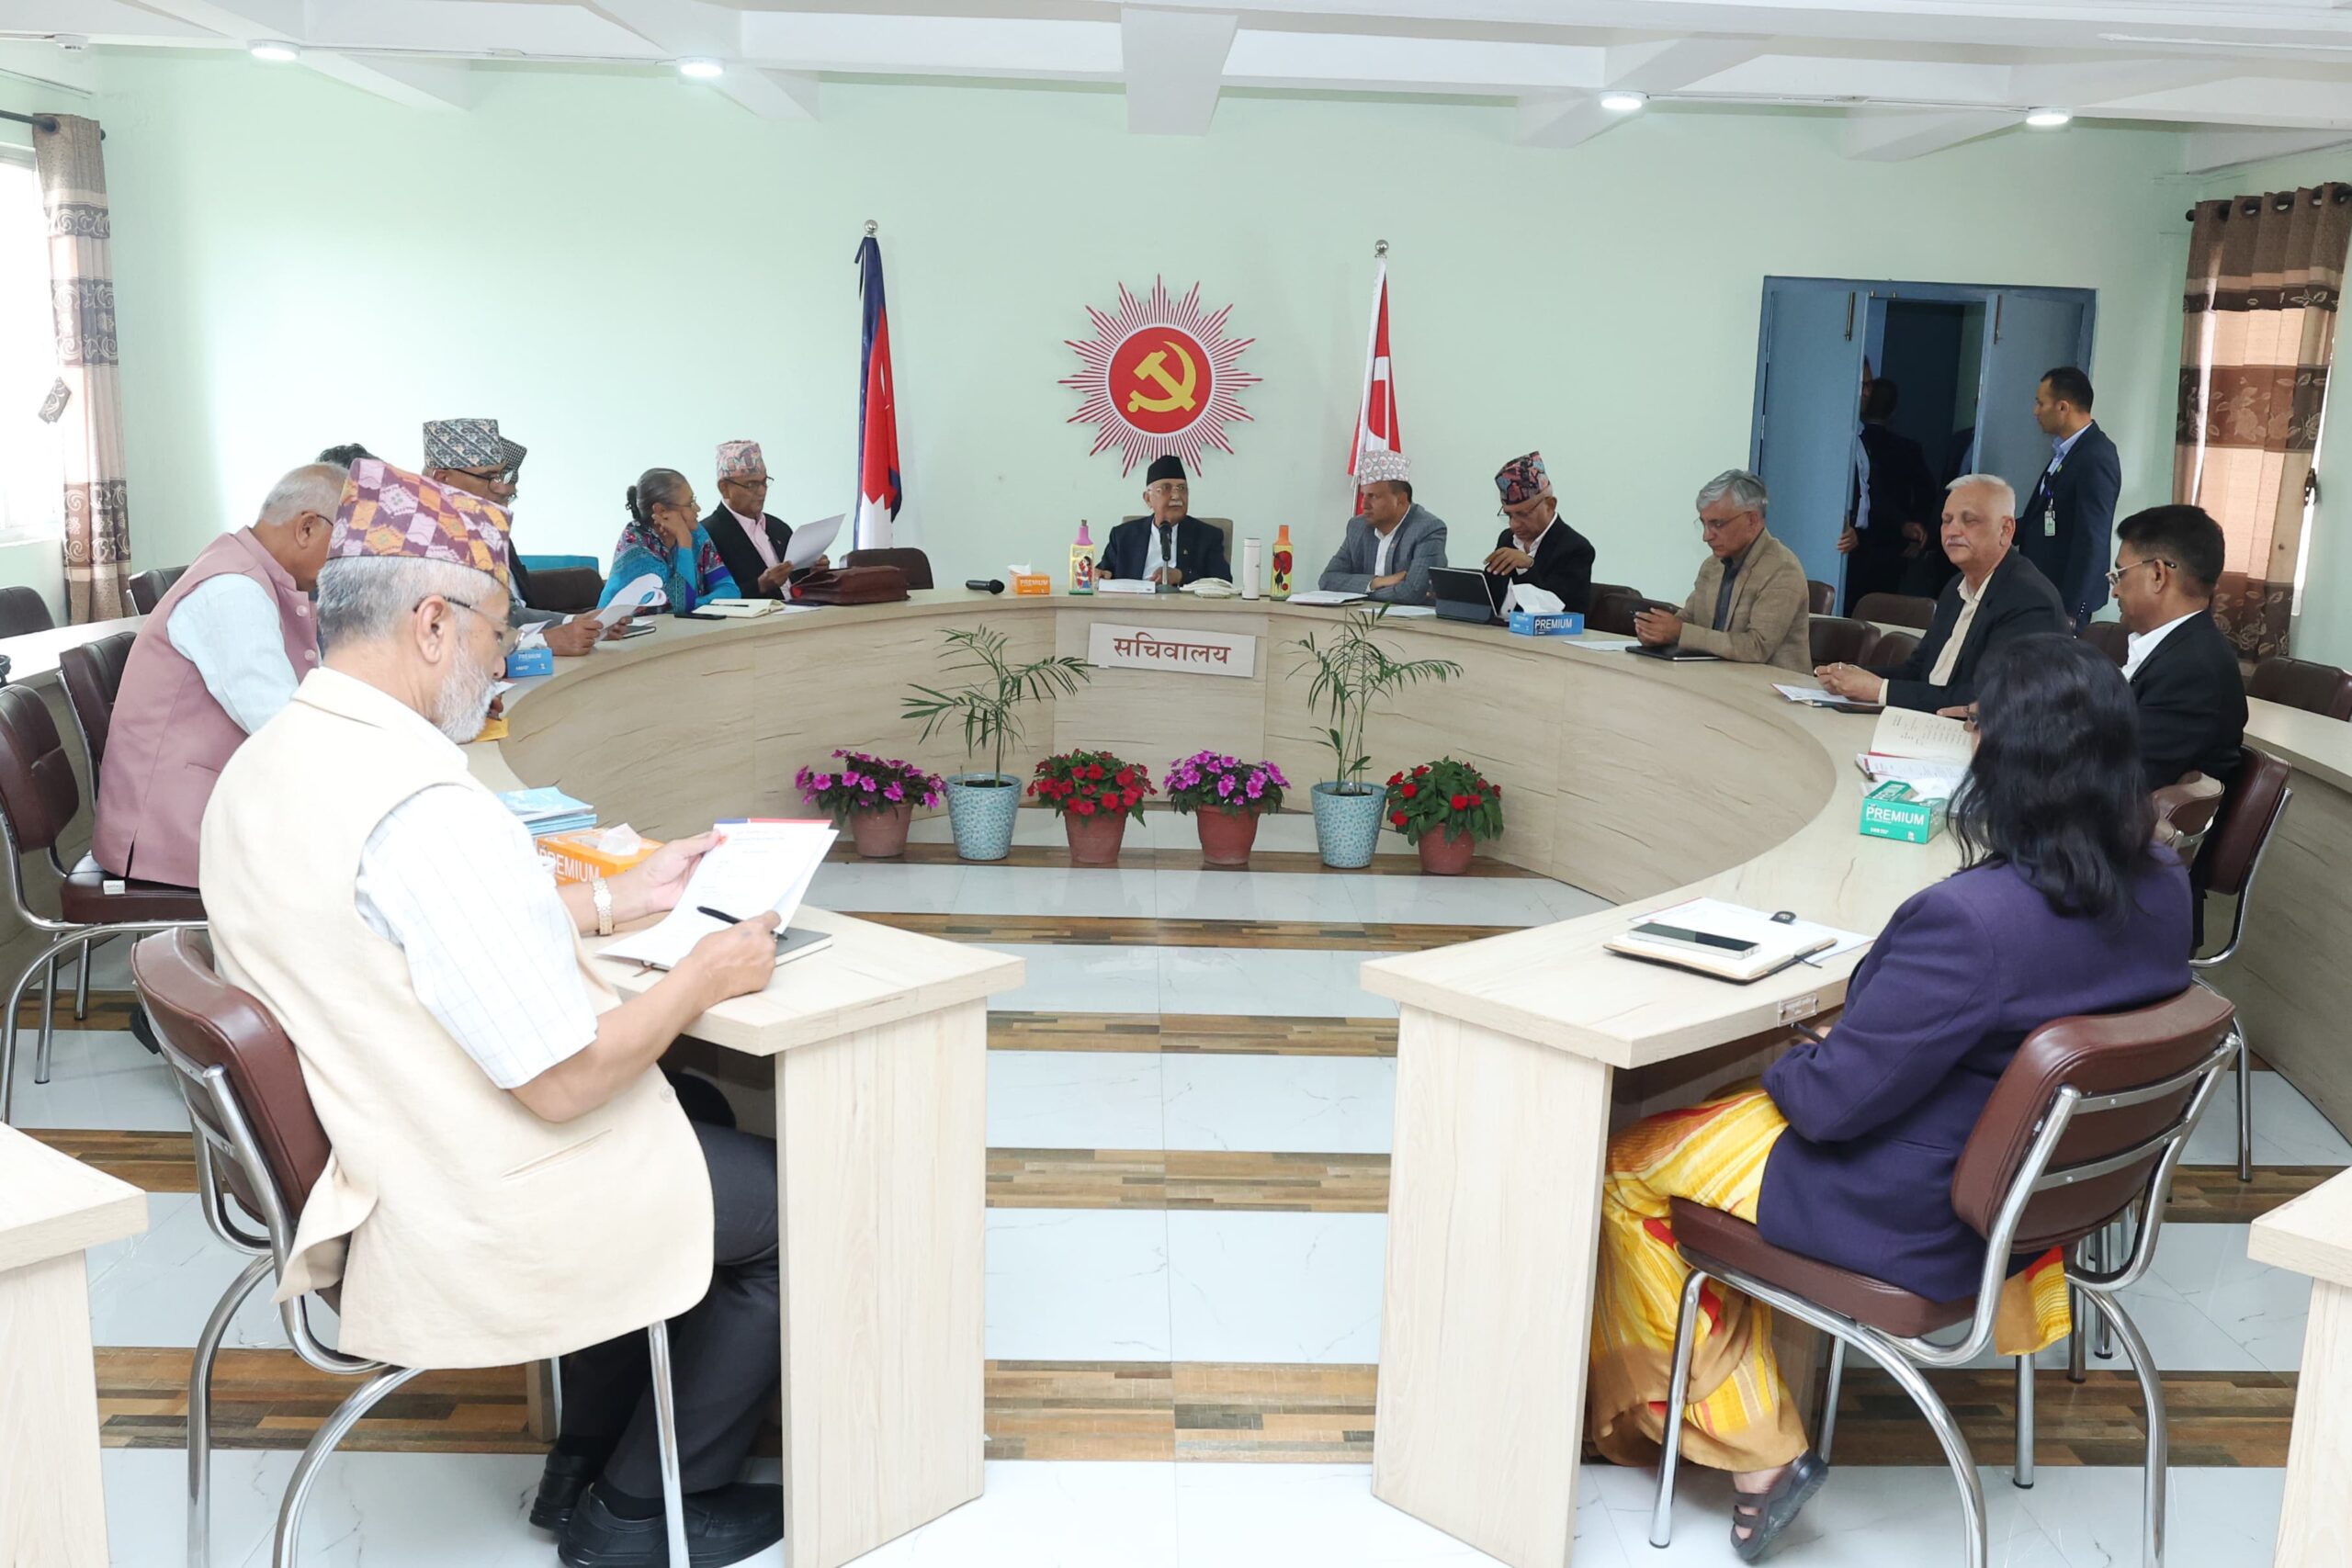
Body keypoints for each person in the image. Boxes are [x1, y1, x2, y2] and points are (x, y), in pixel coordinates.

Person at [198, 457, 787, 1567]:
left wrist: (616, 898)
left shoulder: (274, 758)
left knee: (697, 1103)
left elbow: (390, 940)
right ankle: (639, 1512)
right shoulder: (425, 804)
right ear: (432, 623)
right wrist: (703, 975)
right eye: (498, 630)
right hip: (459, 1191)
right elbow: (562, 1080)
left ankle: (585, 1459)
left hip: (374, 1146)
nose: (505, 657)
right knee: (793, 1205)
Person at [1588, 635, 2189, 1560]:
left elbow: (1828, 1108)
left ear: (2006, 762)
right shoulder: (2165, 887)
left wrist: (1795, 1054)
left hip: (1917, 1210)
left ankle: (1754, 1447)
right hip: (2043, 1200)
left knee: (1629, 1166)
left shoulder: (1971, 921)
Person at [93, 463, 335, 890]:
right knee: (344, 871)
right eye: (347, 545)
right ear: (307, 528)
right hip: (171, 832)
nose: (347, 562)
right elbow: (283, 728)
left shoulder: (251, 574)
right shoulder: (233, 591)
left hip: (208, 805)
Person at [1816, 475, 2066, 711]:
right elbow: (1919, 672)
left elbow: (1990, 698)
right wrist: (1852, 676)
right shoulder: (1956, 587)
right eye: (1947, 520)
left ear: (2006, 530)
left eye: (1969, 520)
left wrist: (1880, 690)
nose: (1952, 531)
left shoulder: (2029, 599)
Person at [424, 418, 614, 657]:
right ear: (442, 479)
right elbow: (442, 638)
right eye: (489, 477)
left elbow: (507, 614)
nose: (497, 488)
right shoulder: (416, 540)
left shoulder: (475, 535)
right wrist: (542, 641)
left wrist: (575, 622)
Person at [2110, 503, 2245, 793]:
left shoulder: (2193, 671)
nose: (2115, 591)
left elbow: (2119, 779)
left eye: (2120, 574)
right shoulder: (2177, 651)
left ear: (2158, 575)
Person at [1634, 469, 1812, 672]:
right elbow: (1689, 620)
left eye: (1717, 524)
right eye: (1703, 524)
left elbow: (1757, 647)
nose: (1707, 536)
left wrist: (1680, 633)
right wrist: (1657, 632)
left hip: (1770, 686)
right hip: (1719, 678)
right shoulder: (1712, 566)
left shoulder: (1782, 569)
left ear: (1752, 520)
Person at [2015, 367, 2121, 628]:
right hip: (2040, 588)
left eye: (2041, 403)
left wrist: (2072, 610)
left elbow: (2092, 537)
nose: (2035, 411)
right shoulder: (2065, 452)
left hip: (2063, 599)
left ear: (2063, 407)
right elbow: (2042, 516)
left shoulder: (2096, 456)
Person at [1838, 377, 1939, 615]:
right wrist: (1908, 527)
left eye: (1868, 386)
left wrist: (1904, 526)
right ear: (1894, 411)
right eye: (1862, 385)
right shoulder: (1848, 439)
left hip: (1870, 543)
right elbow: (1925, 492)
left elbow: (1872, 495)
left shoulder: (1860, 440)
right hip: (1866, 544)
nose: (1865, 392)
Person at [601, 468, 741, 615]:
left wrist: (695, 604)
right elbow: (676, 606)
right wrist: (684, 542)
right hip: (619, 629)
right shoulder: (635, 544)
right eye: (690, 503)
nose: (698, 508)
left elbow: (730, 590)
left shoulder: (696, 533)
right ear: (661, 510)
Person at [1317, 449, 1447, 604]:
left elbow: (1412, 592)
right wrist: (1376, 582)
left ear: (1401, 499)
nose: (1364, 505)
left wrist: (1359, 592)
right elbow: (1327, 580)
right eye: (1363, 495)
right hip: (1361, 616)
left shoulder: (1428, 529)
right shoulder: (1357, 527)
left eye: (1373, 496)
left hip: (1409, 619)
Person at [703, 440, 828, 600]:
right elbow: (709, 599)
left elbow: (798, 581)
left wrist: (814, 572)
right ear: (724, 488)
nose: (762, 491)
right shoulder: (708, 535)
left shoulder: (778, 528)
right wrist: (760, 585)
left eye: (764, 482)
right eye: (751, 485)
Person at [1485, 450, 1596, 613]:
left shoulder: (1575, 548)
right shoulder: (1507, 539)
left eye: (1523, 514)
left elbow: (1558, 610)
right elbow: (1489, 597)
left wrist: (1527, 567)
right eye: (1509, 515)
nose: (1514, 525)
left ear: (1550, 505)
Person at [1099, 455, 1232, 585]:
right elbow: (1104, 572)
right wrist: (1100, 575)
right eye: (1166, 488)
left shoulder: (1208, 536)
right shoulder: (1122, 535)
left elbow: (1223, 582)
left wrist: (1182, 576)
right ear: (1148, 499)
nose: (1176, 495)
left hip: (1182, 600)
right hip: (1133, 600)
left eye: (1182, 488)